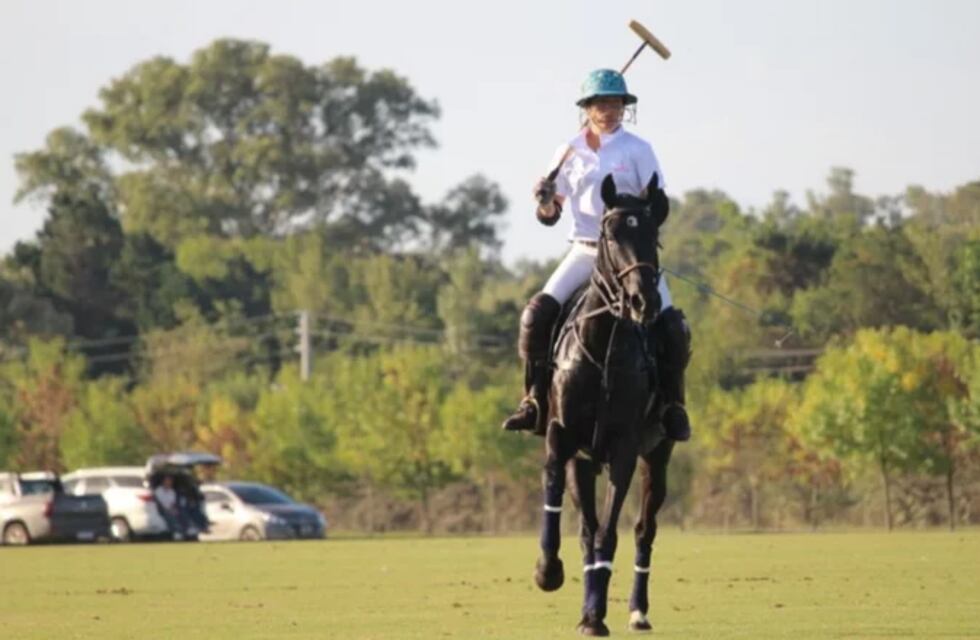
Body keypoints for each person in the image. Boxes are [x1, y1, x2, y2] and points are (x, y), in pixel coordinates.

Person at [501, 69, 692, 441]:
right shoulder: (568, 151)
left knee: (672, 326)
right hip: (585, 251)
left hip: (628, 256)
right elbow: (550, 214)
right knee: (534, 315)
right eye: (601, 104)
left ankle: (672, 406)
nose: (609, 110)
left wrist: (638, 231)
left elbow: (659, 203)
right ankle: (534, 400)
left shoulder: (639, 149)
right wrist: (543, 200)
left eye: (616, 103)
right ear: (586, 108)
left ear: (625, 108)